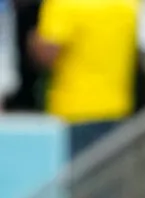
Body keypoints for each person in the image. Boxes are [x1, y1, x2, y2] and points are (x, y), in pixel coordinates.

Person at [30, 0, 138, 156]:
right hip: (118, 109)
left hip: (74, 111)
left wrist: (32, 40)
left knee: (77, 177)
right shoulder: (129, 3)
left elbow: (47, 54)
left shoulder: (64, 4)